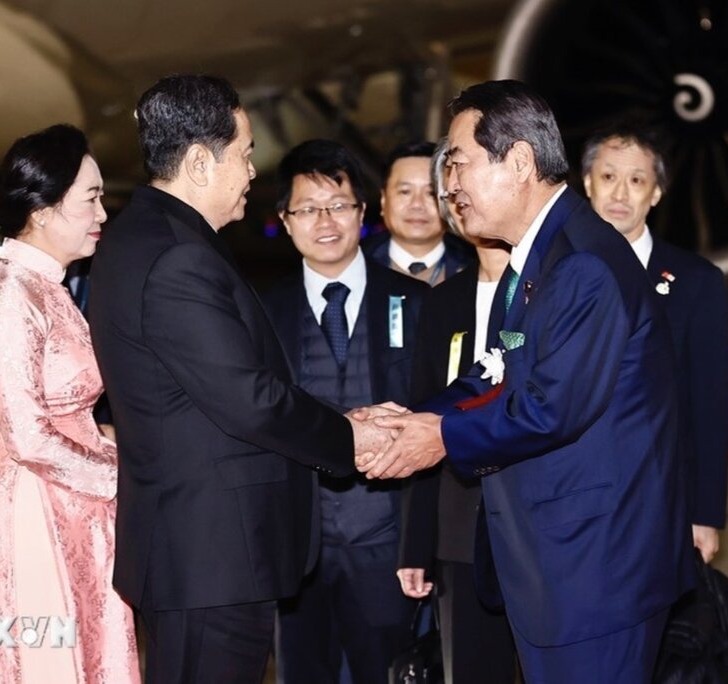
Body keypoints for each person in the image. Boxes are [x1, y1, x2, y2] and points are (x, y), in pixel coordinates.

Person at [358, 80, 692, 683]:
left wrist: (438, 437)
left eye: (458, 162)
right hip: (563, 566)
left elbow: (548, 407)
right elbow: (498, 370)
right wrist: (413, 418)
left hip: (596, 572)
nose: (449, 184)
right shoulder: (541, 257)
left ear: (517, 161)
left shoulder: (581, 264)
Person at [86, 76, 390, 684]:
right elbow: (249, 399)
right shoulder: (176, 255)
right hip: (211, 555)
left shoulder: (152, 236)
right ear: (200, 162)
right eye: (245, 153)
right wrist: (352, 438)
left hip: (200, 549)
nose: (253, 170)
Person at [0, 124, 140, 683]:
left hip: (70, 502)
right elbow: (28, 436)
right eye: (90, 197)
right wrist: (125, 475)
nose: (103, 213)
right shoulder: (13, 294)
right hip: (33, 512)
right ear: (42, 210)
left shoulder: (45, 285)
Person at [262, 139, 425, 684]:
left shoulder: (417, 303)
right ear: (286, 221)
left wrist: (418, 544)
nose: (324, 221)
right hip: (297, 548)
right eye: (307, 208)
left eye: (337, 204)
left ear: (362, 212)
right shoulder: (262, 311)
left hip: (386, 546)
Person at [581, 124, 728, 563]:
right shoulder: (551, 272)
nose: (620, 194)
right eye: (608, 177)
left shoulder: (697, 282)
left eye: (637, 180)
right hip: (570, 495)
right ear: (587, 183)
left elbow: (710, 405)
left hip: (661, 496)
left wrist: (703, 514)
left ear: (657, 193)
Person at [397, 138, 516, 684]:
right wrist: (416, 543)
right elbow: (426, 415)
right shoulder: (443, 301)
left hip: (536, 522)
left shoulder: (550, 287)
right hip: (459, 525)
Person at [362, 141, 475, 285]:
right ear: (384, 200)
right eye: (405, 192)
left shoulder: (475, 267)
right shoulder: (354, 262)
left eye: (430, 193)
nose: (417, 204)